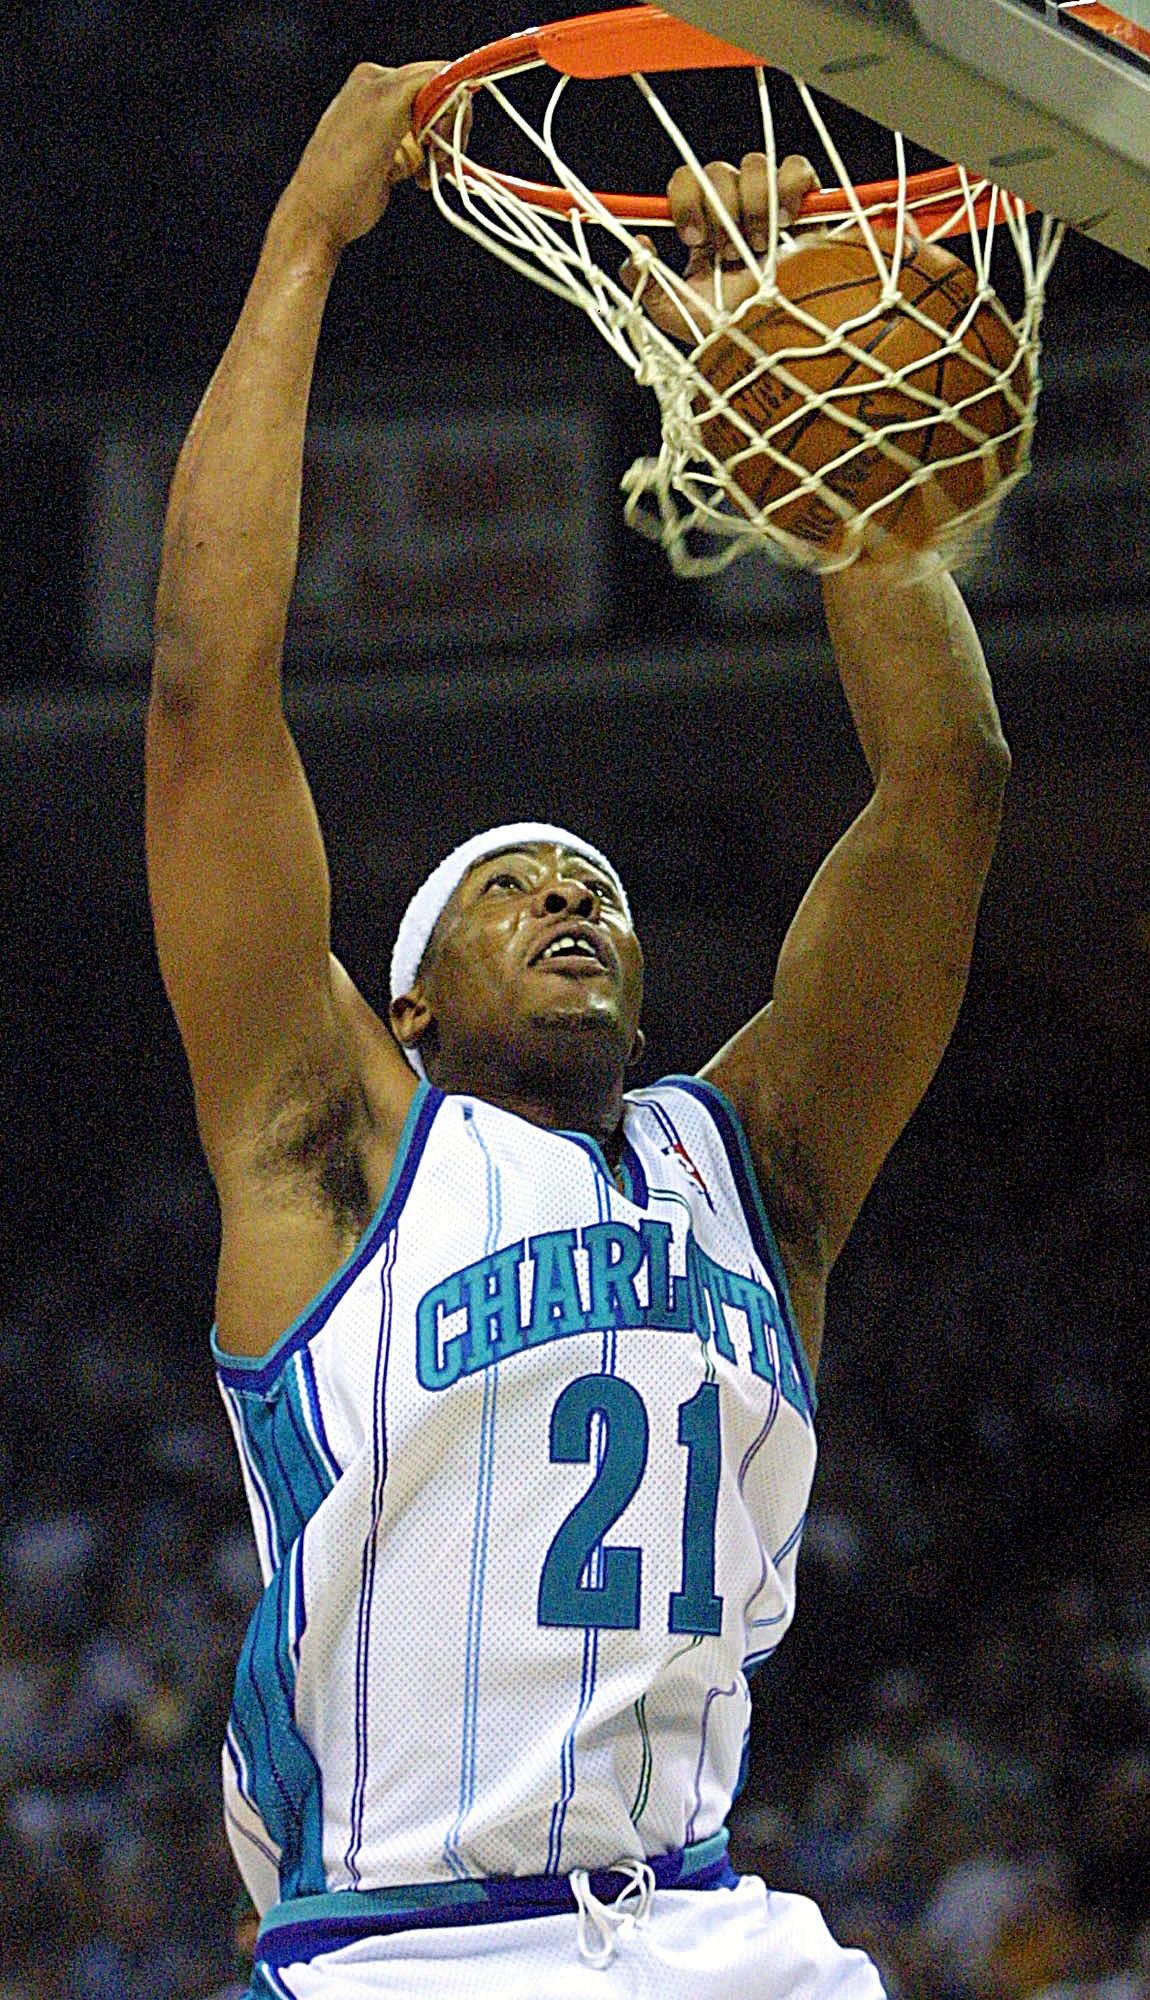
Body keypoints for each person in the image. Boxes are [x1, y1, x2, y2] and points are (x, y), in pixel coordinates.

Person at [145, 60, 1011, 2000]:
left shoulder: (752, 1168)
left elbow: (943, 781)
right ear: (408, 998)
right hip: (404, 1947)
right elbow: (208, 698)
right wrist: (302, 239)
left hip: (707, 1923)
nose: (570, 893)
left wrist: (814, 442)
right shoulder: (336, 1153)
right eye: (509, 880)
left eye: (596, 882)